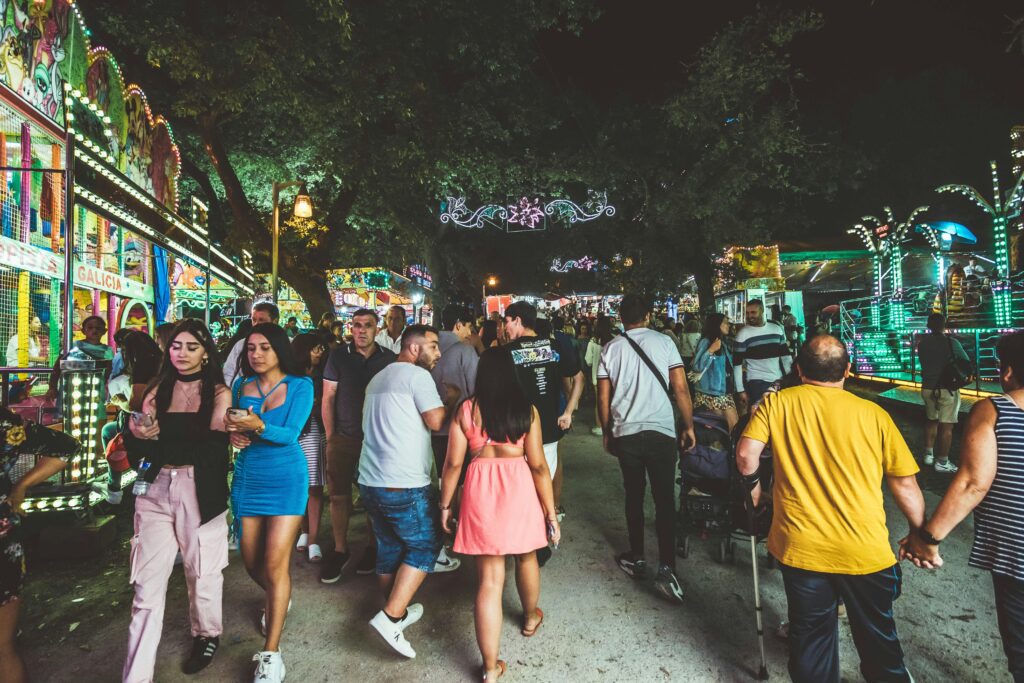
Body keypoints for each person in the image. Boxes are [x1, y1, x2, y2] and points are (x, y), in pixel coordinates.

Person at [736, 335, 924, 683]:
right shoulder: (875, 415)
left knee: (810, 642)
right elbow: (905, 484)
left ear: (798, 369)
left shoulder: (777, 403)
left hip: (801, 548)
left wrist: (757, 492)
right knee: (879, 643)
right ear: (848, 371)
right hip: (865, 551)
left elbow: (747, 454)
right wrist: (920, 535)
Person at [901, 330, 1024, 683]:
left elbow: (973, 481)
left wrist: (928, 537)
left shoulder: (995, 410)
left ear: (1007, 372)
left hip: (1017, 556)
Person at [122, 320, 232, 682]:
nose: (181, 353)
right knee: (146, 588)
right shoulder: (157, 388)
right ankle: (136, 676)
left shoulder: (218, 392)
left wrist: (159, 439)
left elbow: (215, 450)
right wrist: (138, 432)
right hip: (154, 490)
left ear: (205, 353)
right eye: (176, 346)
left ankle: (207, 633)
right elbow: (136, 443)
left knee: (202, 573)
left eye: (191, 347)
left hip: (200, 490)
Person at [440, 347, 559, 680]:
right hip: (519, 488)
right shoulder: (527, 411)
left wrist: (446, 504)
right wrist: (550, 513)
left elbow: (452, 464)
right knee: (526, 558)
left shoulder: (467, 409)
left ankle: (490, 669)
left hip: (480, 492)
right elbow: (538, 466)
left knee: (490, 582)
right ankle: (531, 616)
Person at [225, 323, 314, 683]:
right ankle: (279, 597)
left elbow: (291, 433)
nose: (257, 355)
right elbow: (232, 423)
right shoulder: (239, 386)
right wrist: (234, 433)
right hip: (248, 478)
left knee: (276, 564)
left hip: (286, 479)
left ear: (279, 350)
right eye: (250, 349)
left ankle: (271, 653)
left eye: (264, 348)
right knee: (250, 561)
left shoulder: (301, 385)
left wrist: (257, 426)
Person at [359, 325, 453, 658]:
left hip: (371, 481)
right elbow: (436, 421)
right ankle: (391, 616)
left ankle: (394, 606)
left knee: (389, 545)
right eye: (433, 346)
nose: (438, 353)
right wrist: (450, 399)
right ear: (413, 349)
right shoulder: (417, 377)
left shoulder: (378, 378)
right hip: (404, 483)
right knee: (427, 543)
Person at [597, 294, 695, 603]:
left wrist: (607, 431)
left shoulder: (610, 348)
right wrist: (689, 426)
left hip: (627, 432)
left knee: (634, 494)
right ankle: (667, 568)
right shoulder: (665, 342)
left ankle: (637, 556)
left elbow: (603, 398)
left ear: (621, 318)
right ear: (649, 315)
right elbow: (680, 387)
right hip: (661, 432)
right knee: (665, 499)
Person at [319, 308, 396, 583]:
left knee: (373, 498)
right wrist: (331, 436)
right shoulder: (338, 356)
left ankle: (373, 548)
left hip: (377, 440)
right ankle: (340, 550)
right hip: (344, 437)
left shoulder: (389, 359)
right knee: (339, 496)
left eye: (368, 325)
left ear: (378, 329)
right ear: (351, 328)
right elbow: (328, 397)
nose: (361, 330)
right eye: (357, 325)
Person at [504, 301, 583, 564]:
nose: (505, 328)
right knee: (541, 486)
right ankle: (536, 543)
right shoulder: (554, 347)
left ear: (516, 320)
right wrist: (569, 411)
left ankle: (525, 542)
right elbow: (578, 378)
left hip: (515, 434)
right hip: (547, 433)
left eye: (507, 321)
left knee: (518, 490)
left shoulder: (508, 352)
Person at [0, 407, 76, 683]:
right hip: (4, 539)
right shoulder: (6, 424)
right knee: (3, 648)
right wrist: (20, 486)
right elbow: (65, 447)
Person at [428, 305, 478, 531]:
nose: (470, 333)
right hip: (459, 429)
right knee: (458, 477)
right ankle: (455, 521)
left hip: (429, 427)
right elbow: (476, 389)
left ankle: (439, 519)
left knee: (437, 477)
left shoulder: (427, 349)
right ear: (458, 325)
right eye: (468, 327)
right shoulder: (465, 351)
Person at [104, 331, 163, 505]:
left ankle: (116, 487)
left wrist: (118, 402)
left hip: (145, 424)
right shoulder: (161, 362)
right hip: (158, 422)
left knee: (112, 435)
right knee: (110, 431)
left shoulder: (143, 367)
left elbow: (136, 405)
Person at [291, 333, 328, 563]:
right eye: (316, 349)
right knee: (299, 485)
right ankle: (304, 531)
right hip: (296, 432)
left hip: (315, 431)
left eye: (321, 348)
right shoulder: (290, 377)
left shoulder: (324, 375)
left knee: (314, 486)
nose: (320, 352)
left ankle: (313, 538)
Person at [917, 312, 968, 473]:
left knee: (931, 421)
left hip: (927, 387)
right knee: (947, 427)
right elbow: (965, 361)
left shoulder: (922, 344)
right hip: (947, 388)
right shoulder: (951, 342)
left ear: (928, 325)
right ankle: (942, 461)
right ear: (943, 325)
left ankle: (928, 454)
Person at [732, 299, 792, 413]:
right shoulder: (742, 335)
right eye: (748, 313)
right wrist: (740, 390)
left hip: (778, 380)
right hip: (756, 381)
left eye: (753, 312)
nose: (750, 316)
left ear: (762, 311)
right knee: (765, 414)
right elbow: (737, 364)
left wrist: (790, 379)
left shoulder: (776, 329)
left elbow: (786, 357)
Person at [45, 315, 114, 400]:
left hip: (95, 388)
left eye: (98, 328)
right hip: (72, 386)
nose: (94, 330)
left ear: (104, 331)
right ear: (83, 331)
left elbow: (108, 371)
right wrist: (52, 387)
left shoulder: (107, 350)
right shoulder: (73, 345)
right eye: (90, 328)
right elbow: (58, 366)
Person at [691, 313, 739, 431]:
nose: (728, 325)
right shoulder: (706, 342)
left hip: (724, 393)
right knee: (723, 430)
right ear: (717, 324)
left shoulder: (723, 343)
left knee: (733, 428)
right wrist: (711, 350)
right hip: (709, 395)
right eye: (725, 322)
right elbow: (697, 367)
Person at [221, 302, 280, 386]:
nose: (256, 324)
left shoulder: (287, 344)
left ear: (275, 321)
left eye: (261, 320)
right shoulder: (241, 344)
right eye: (254, 320)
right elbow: (228, 373)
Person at [585, 316, 614, 436]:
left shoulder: (593, 341)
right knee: (612, 401)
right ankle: (612, 425)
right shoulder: (614, 340)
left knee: (599, 402)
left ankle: (599, 426)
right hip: (612, 377)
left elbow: (588, 361)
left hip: (597, 377)